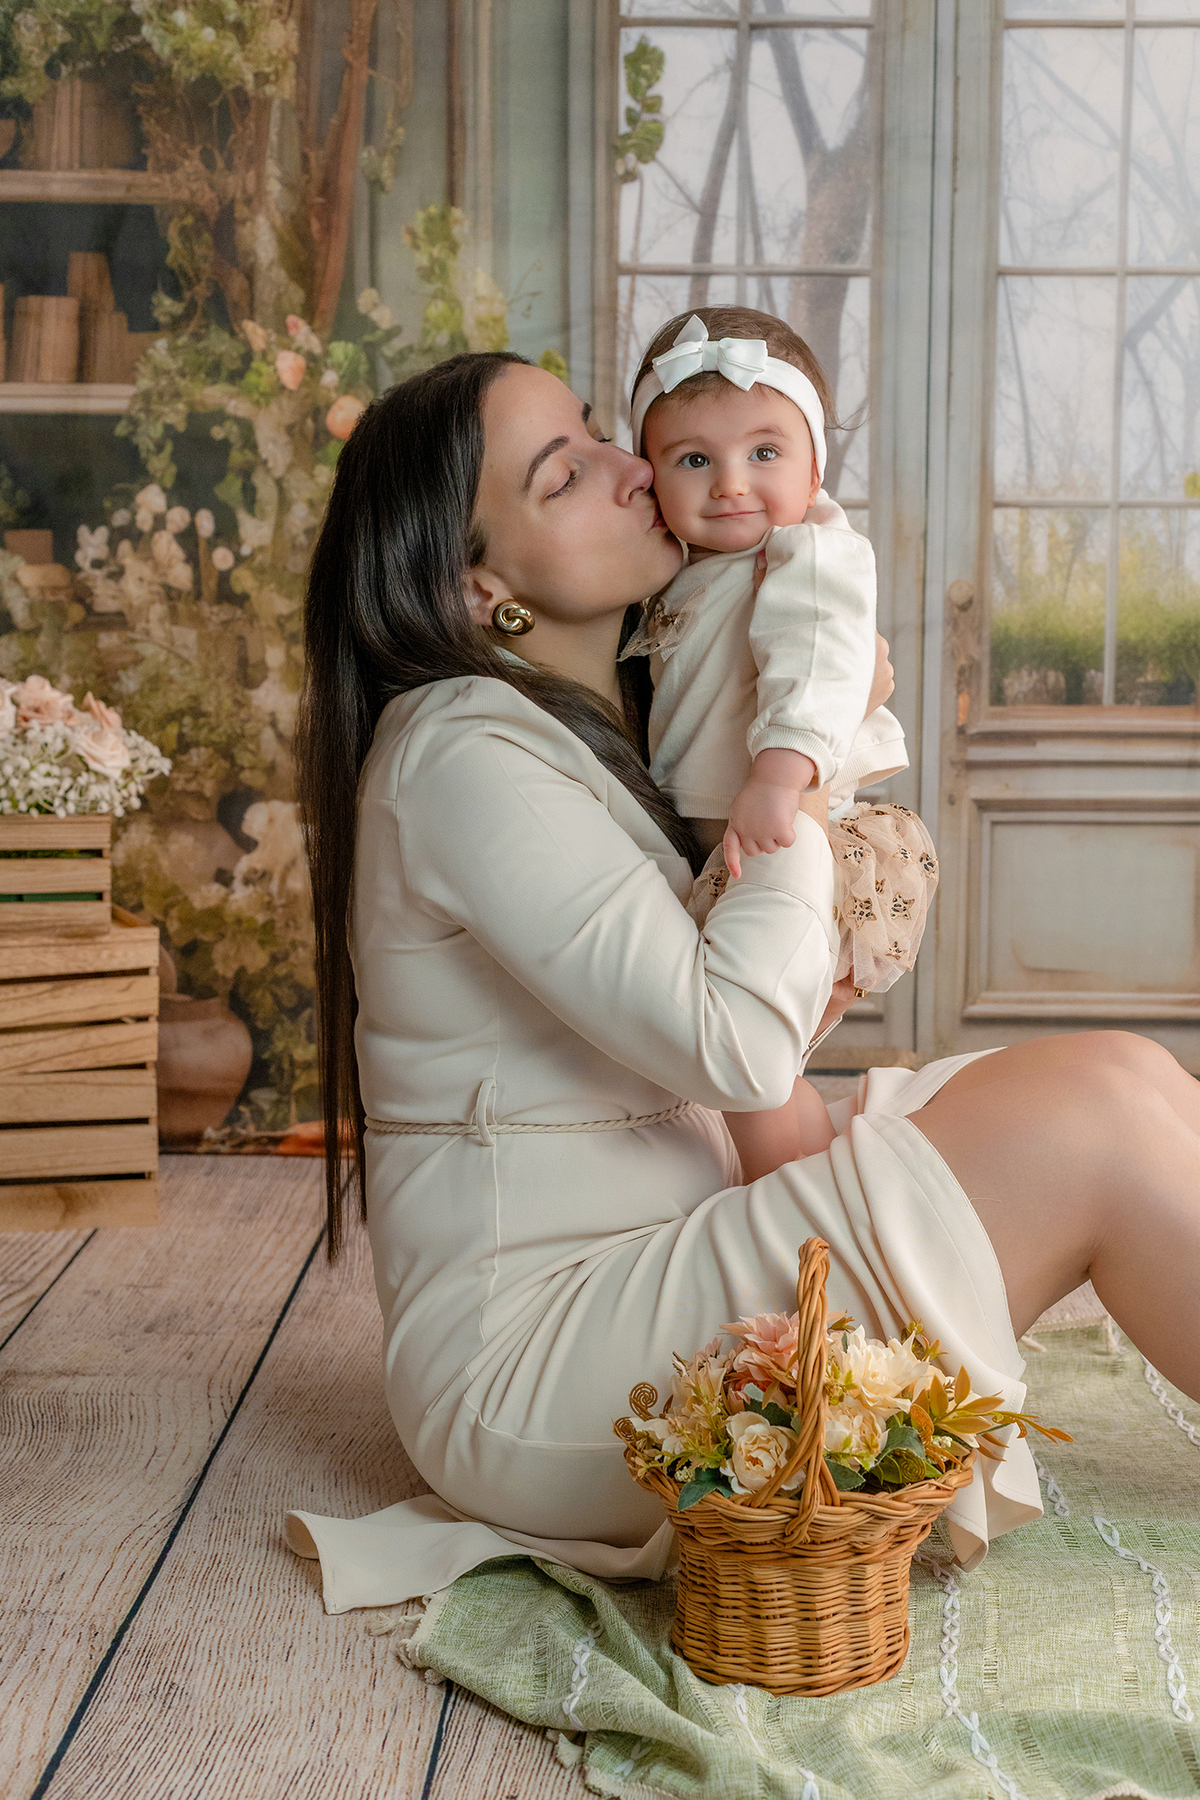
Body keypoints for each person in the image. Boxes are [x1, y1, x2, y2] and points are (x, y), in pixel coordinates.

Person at [286, 350, 1200, 1615]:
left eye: (602, 435)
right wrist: (804, 779)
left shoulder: (573, 729)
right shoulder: (455, 754)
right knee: (1094, 1116)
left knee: (1131, 1074)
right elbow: (736, 1043)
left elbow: (728, 1029)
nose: (632, 470)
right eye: (567, 474)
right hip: (540, 1367)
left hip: (661, 1241)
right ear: (477, 584)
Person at [626, 306, 938, 1177]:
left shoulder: (804, 556)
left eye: (765, 453)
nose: (731, 483)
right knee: (755, 1073)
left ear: (813, 467)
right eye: (695, 459)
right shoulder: (684, 570)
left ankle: (791, 1201)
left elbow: (818, 662)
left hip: (785, 827)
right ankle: (822, 1190)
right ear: (650, 472)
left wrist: (779, 771)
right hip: (723, 831)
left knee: (750, 1081)